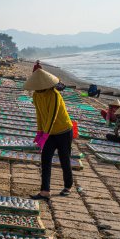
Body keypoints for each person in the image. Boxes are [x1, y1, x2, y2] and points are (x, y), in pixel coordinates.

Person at [23, 68, 73, 201]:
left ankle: (68, 186)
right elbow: (39, 114)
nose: (37, 89)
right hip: (48, 132)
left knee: (64, 159)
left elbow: (52, 116)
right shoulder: (36, 96)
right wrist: (39, 132)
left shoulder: (54, 95)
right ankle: (45, 191)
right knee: (45, 159)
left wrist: (45, 135)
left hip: (63, 131)